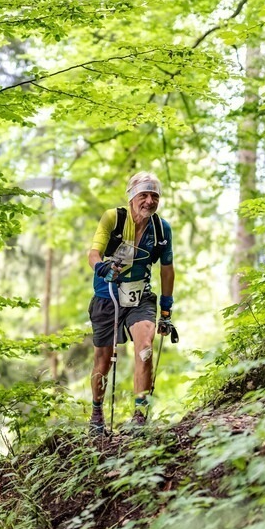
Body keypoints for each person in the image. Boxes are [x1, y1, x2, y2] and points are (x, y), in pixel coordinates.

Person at [87, 171, 175, 435]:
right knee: (103, 362)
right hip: (108, 297)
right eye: (144, 195)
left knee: (145, 348)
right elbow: (93, 253)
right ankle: (96, 414)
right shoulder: (113, 218)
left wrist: (166, 308)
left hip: (141, 297)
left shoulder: (161, 229)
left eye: (154, 196)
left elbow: (167, 269)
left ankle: (139, 416)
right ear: (132, 197)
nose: (149, 201)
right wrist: (101, 268)